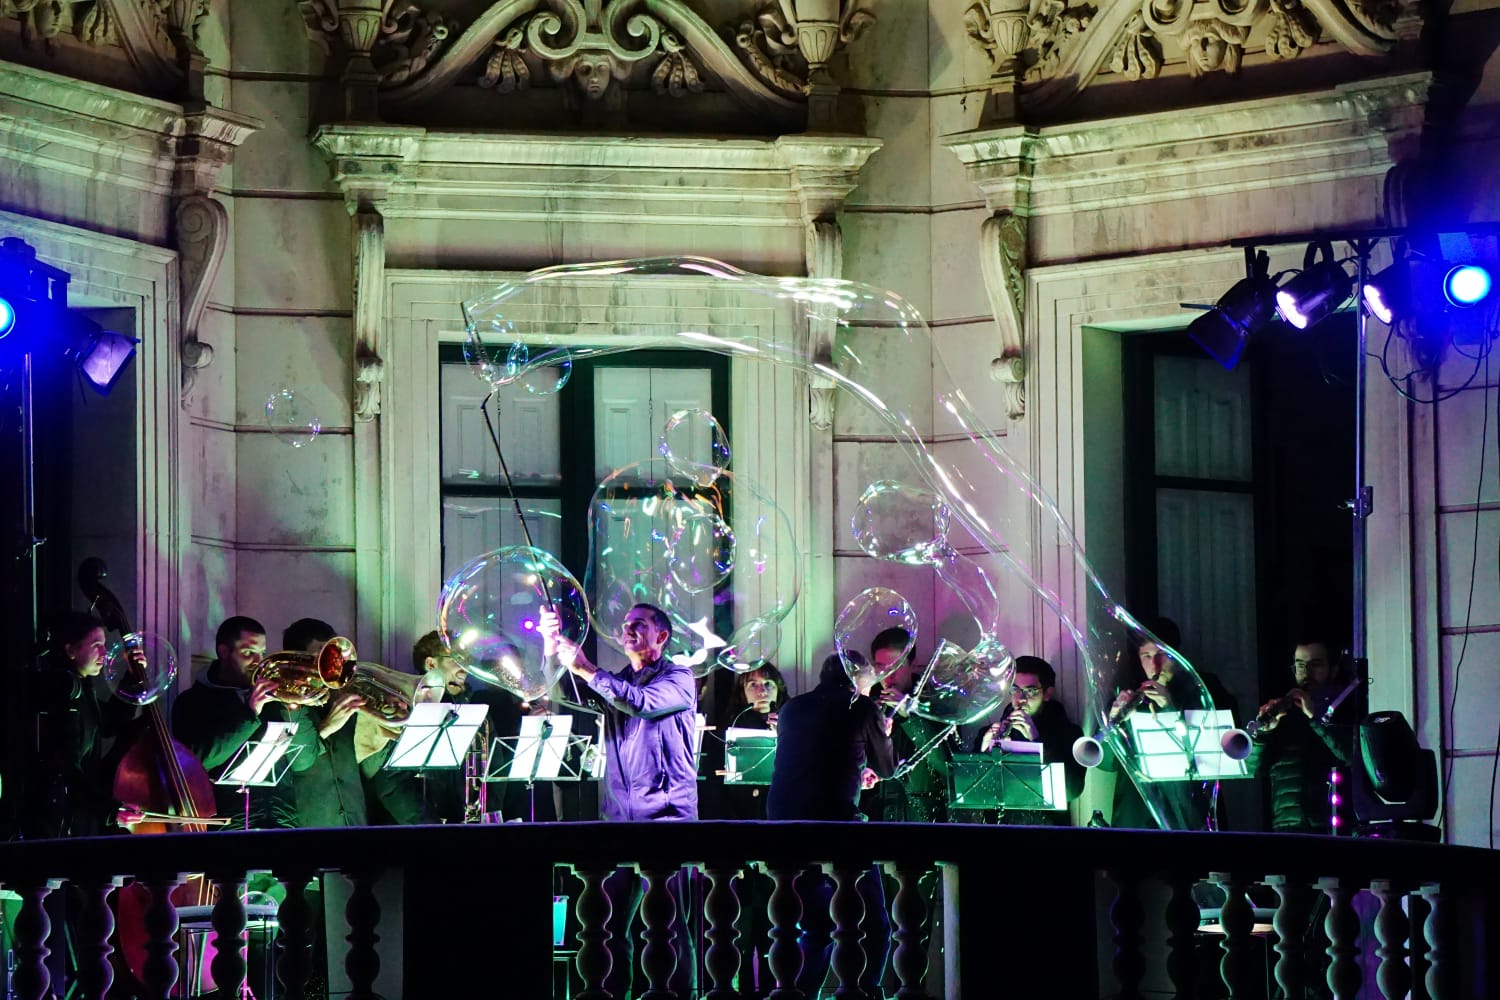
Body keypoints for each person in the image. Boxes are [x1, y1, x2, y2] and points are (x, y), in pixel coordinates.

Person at [542, 602, 698, 998]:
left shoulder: (679, 678)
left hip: (666, 821)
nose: (627, 630)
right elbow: (564, 691)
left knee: (667, 926)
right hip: (618, 820)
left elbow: (640, 703)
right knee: (605, 926)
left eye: (639, 625)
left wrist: (589, 669)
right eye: (626, 625)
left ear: (661, 636)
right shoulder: (615, 683)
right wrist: (551, 649)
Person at [768, 653, 894, 996]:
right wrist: (884, 732)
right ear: (859, 680)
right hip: (837, 824)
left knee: (815, 928)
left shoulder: (793, 707)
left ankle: (795, 993)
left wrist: (854, 770)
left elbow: (814, 759)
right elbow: (888, 768)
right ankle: (865, 993)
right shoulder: (862, 706)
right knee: (876, 926)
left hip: (785, 823)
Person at [172, 615, 318, 829]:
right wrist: (250, 713)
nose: (259, 663)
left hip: (283, 820)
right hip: (230, 824)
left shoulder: (273, 699)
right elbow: (199, 761)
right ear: (223, 652)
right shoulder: (191, 702)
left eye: (262, 653)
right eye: (249, 653)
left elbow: (304, 761)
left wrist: (294, 708)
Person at [19, 612, 144, 838]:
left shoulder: (83, 688)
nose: (105, 654)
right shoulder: (65, 692)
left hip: (75, 815)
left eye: (104, 645)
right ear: (71, 651)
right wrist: (109, 810)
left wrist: (132, 676)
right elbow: (66, 769)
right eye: (96, 645)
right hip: (57, 821)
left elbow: (109, 723)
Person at [1247, 635, 1354, 833]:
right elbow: (1252, 768)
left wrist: (1315, 718)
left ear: (1334, 669)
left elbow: (1349, 754)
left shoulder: (1346, 709)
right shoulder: (1284, 714)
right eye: (1300, 665)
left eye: (1316, 664)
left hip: (1329, 827)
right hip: (1286, 826)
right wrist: (1263, 735)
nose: (1306, 673)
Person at [975, 655, 1085, 825]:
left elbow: (1071, 791)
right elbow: (975, 792)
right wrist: (984, 751)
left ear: (1047, 693)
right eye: (1015, 689)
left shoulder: (1069, 734)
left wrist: (1037, 741)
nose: (1020, 699)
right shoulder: (988, 733)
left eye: (1030, 691)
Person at [281, 617, 369, 828]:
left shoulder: (341, 694)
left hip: (355, 820)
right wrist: (329, 725)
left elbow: (370, 765)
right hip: (313, 825)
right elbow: (300, 760)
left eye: (332, 654)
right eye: (320, 655)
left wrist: (386, 725)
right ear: (299, 658)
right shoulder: (284, 701)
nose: (331, 664)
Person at [863, 627, 950, 822]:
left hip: (920, 817)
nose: (888, 676)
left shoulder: (937, 702)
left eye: (896, 666)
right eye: (881, 668)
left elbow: (945, 766)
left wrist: (909, 715)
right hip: (877, 815)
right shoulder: (867, 704)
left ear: (913, 664)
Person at [703, 662, 784, 820]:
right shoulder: (728, 729)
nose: (762, 692)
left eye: (768, 684)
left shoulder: (792, 727)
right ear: (742, 693)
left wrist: (785, 735)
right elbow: (714, 788)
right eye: (753, 685)